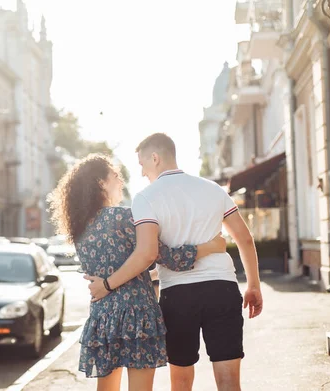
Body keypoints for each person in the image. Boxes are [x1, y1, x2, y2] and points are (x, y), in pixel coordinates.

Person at [87, 133, 263, 391]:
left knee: (180, 381)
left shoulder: (146, 198)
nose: (142, 172)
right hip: (222, 288)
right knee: (228, 381)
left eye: (142, 164)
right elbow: (245, 239)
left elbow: (147, 253)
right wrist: (253, 285)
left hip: (178, 295)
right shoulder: (213, 189)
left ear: (155, 158)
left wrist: (108, 284)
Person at [48, 154, 227, 391]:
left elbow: (123, 268)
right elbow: (166, 257)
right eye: (116, 177)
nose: (121, 182)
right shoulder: (123, 217)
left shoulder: (80, 228)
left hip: (103, 316)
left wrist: (145, 276)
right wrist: (211, 246)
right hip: (136, 314)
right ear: (101, 183)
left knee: (107, 388)